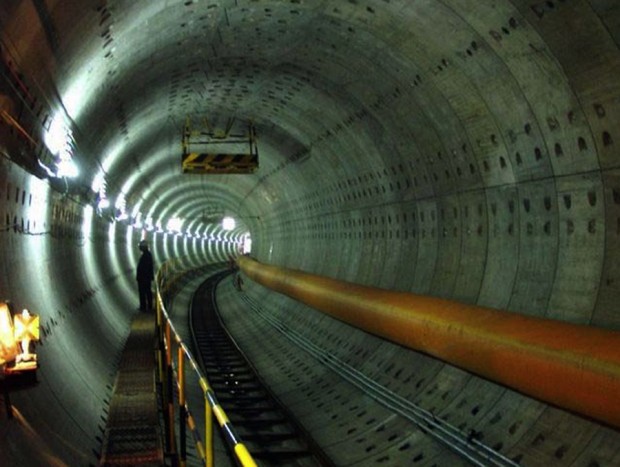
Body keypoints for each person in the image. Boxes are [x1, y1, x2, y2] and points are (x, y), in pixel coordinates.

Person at [136, 240, 154, 312]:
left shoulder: (146, 256)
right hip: (146, 278)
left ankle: (144, 307)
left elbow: (146, 267)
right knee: (147, 292)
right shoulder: (147, 255)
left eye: (141, 247)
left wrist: (141, 276)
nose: (140, 248)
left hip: (144, 278)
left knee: (144, 292)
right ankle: (147, 306)